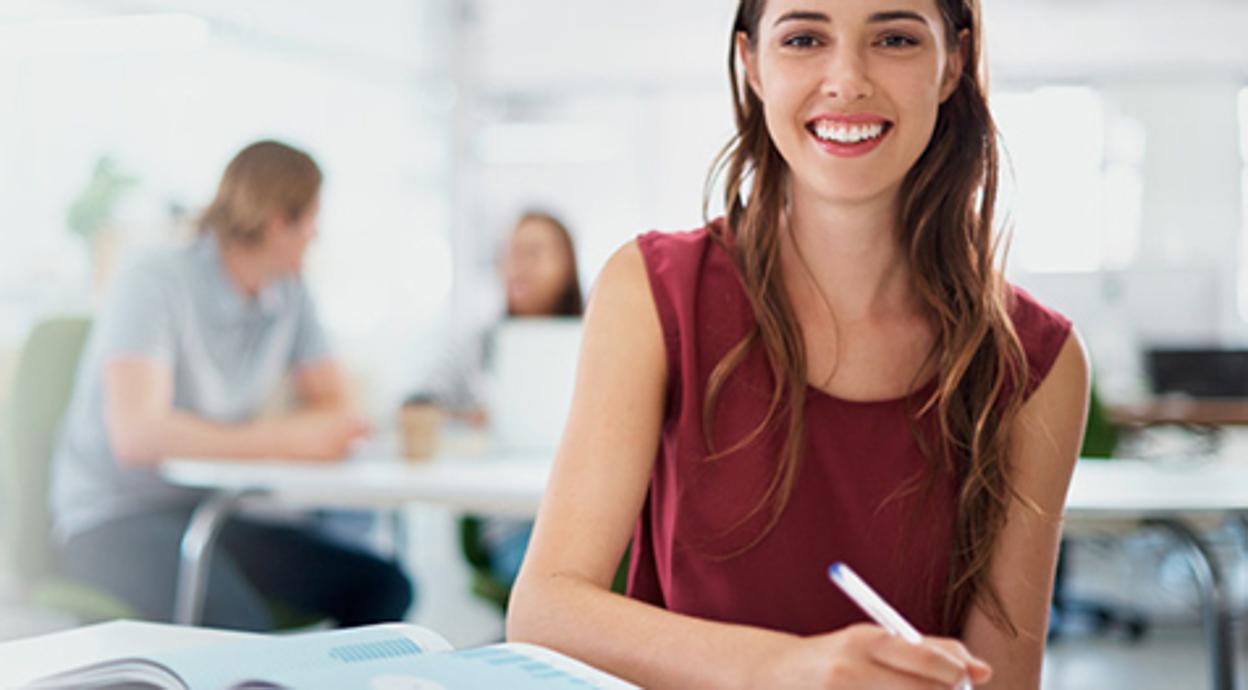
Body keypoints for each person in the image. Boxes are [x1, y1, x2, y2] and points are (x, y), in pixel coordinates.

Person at [507, 1, 1088, 689]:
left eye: (896, 38)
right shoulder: (652, 292)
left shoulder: (1037, 364)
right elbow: (545, 609)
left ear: (952, 63)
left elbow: (1001, 681)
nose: (847, 79)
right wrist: (782, 668)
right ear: (751, 63)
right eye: (805, 38)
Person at [50, 140, 413, 631]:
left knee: (383, 586)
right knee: (239, 626)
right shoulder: (153, 279)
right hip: (115, 519)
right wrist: (287, 440)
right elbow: (139, 436)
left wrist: (305, 433)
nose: (315, 236)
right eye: (311, 220)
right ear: (279, 221)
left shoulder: (289, 291)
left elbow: (336, 408)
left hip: (210, 512)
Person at [419, 211, 582, 591]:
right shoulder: (478, 346)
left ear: (567, 264)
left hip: (591, 520)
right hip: (514, 526)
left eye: (533, 254)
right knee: (558, 581)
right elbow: (417, 405)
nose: (517, 267)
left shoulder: (598, 338)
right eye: (509, 254)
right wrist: (468, 420)